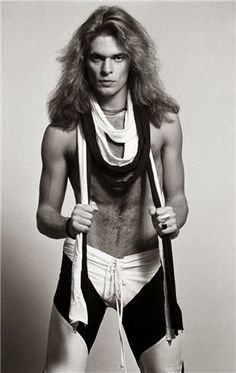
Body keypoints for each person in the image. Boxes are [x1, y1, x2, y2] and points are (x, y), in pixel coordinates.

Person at [37, 5, 188, 373]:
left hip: (145, 265)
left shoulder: (161, 124)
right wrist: (67, 224)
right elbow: (44, 215)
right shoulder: (63, 131)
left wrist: (174, 220)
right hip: (87, 264)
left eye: (117, 58)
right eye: (97, 58)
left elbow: (179, 199)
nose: (107, 70)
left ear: (132, 60)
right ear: (82, 62)